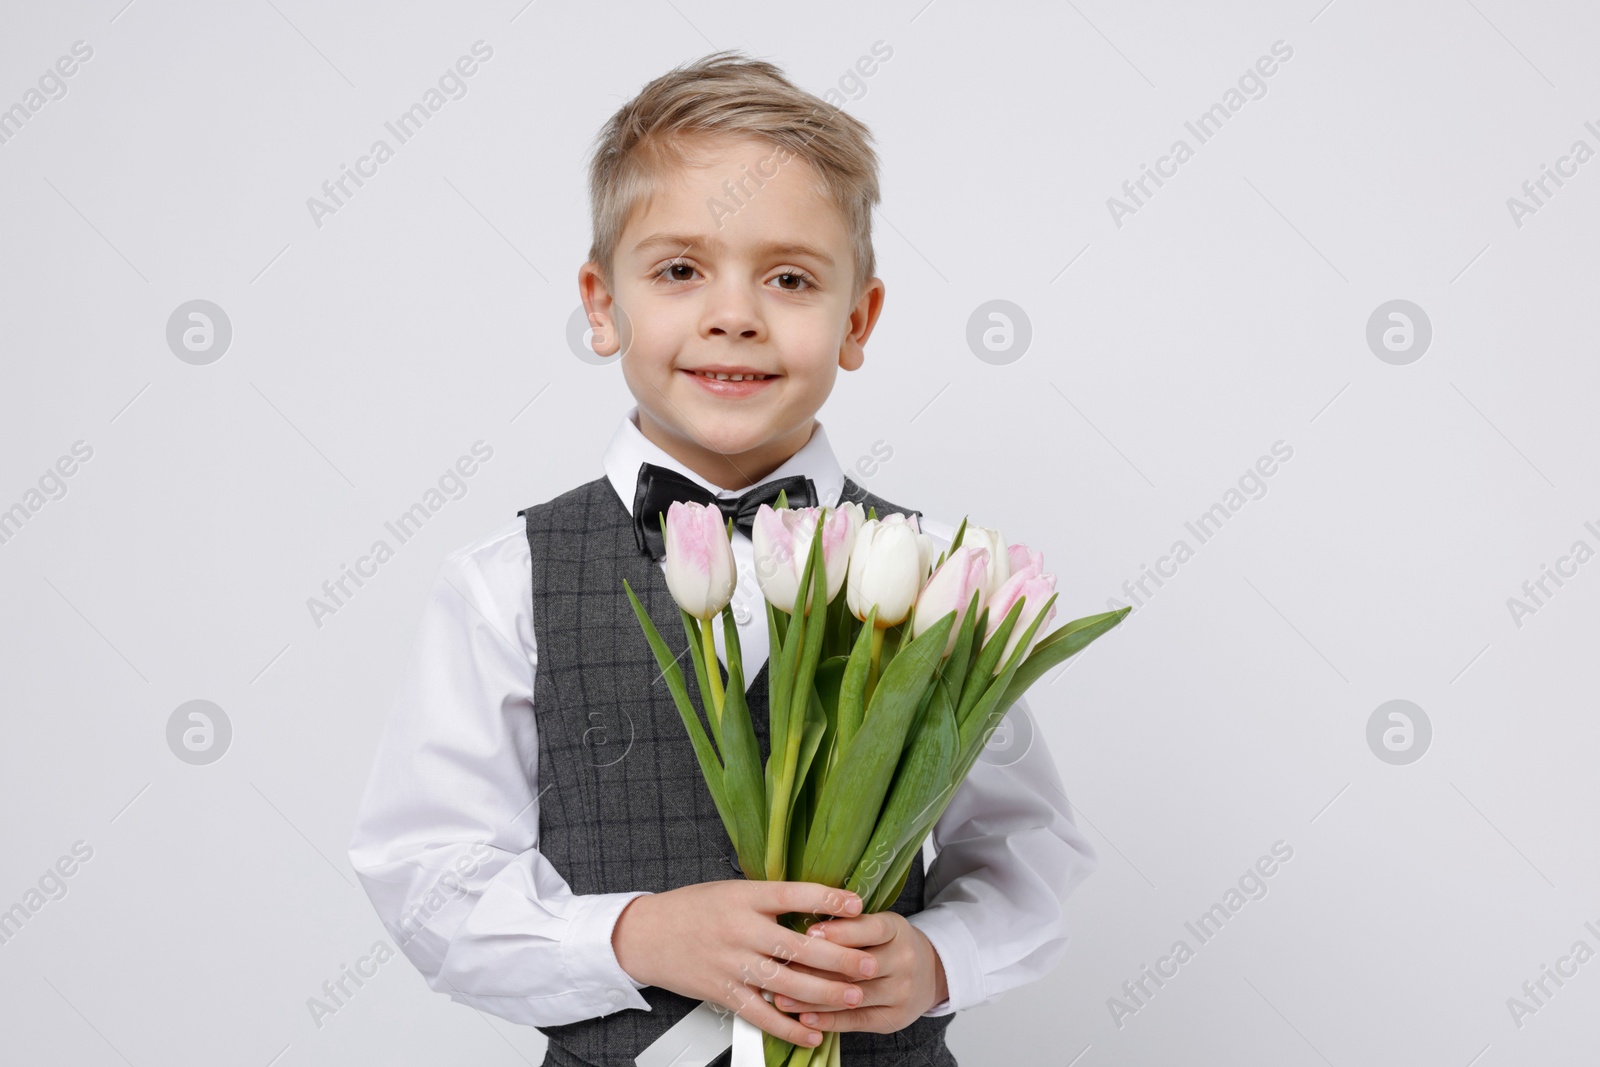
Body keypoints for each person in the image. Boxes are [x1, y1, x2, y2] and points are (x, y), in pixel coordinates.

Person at [347, 49, 1096, 1067]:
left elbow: (1024, 850)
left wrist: (931, 956)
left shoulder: (935, 576)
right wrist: (633, 934)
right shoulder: (504, 582)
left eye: (789, 277)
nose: (732, 312)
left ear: (858, 319)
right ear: (602, 303)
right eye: (679, 270)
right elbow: (424, 871)